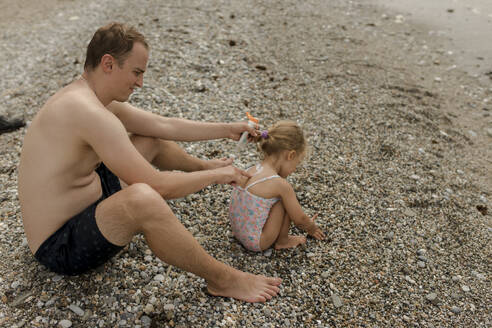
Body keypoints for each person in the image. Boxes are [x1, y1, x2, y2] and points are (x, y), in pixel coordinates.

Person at [17, 22, 281, 303]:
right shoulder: (87, 112)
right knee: (143, 198)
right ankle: (224, 280)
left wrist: (227, 129)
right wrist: (219, 176)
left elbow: (161, 125)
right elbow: (158, 186)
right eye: (136, 72)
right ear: (108, 63)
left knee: (150, 137)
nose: (140, 83)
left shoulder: (91, 97)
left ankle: (203, 166)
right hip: (60, 244)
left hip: (88, 199)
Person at [229, 121, 325, 252]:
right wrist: (311, 227)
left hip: (237, 231)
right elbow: (299, 219)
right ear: (290, 155)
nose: (294, 169)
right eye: (296, 164)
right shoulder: (279, 184)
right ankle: (283, 241)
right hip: (257, 242)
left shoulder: (252, 169)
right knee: (284, 199)